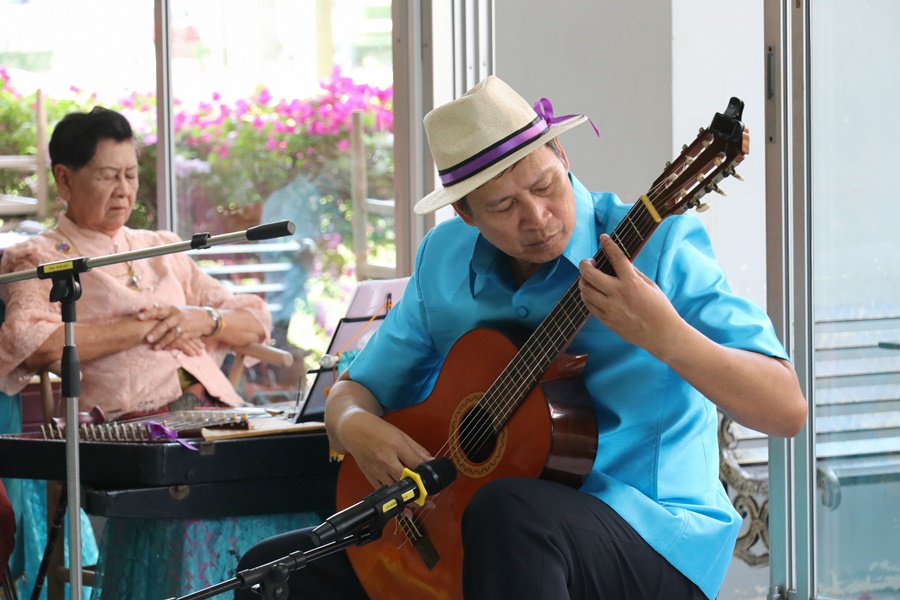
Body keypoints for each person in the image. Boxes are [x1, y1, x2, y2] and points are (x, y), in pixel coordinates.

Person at [235, 76, 807, 600]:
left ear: (562, 154)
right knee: (272, 574)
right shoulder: (444, 260)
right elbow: (355, 390)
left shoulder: (663, 247)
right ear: (466, 213)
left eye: (544, 184)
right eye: (503, 206)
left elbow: (785, 409)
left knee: (510, 513)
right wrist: (357, 428)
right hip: (474, 529)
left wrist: (666, 336)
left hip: (652, 538)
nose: (536, 217)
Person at [0, 106, 321, 599]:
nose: (124, 190)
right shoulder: (41, 257)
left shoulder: (160, 246)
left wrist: (203, 319)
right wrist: (140, 328)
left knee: (302, 466)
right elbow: (34, 342)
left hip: (216, 415)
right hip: (127, 426)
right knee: (198, 488)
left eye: (130, 175)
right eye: (107, 175)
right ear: (64, 179)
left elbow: (254, 317)